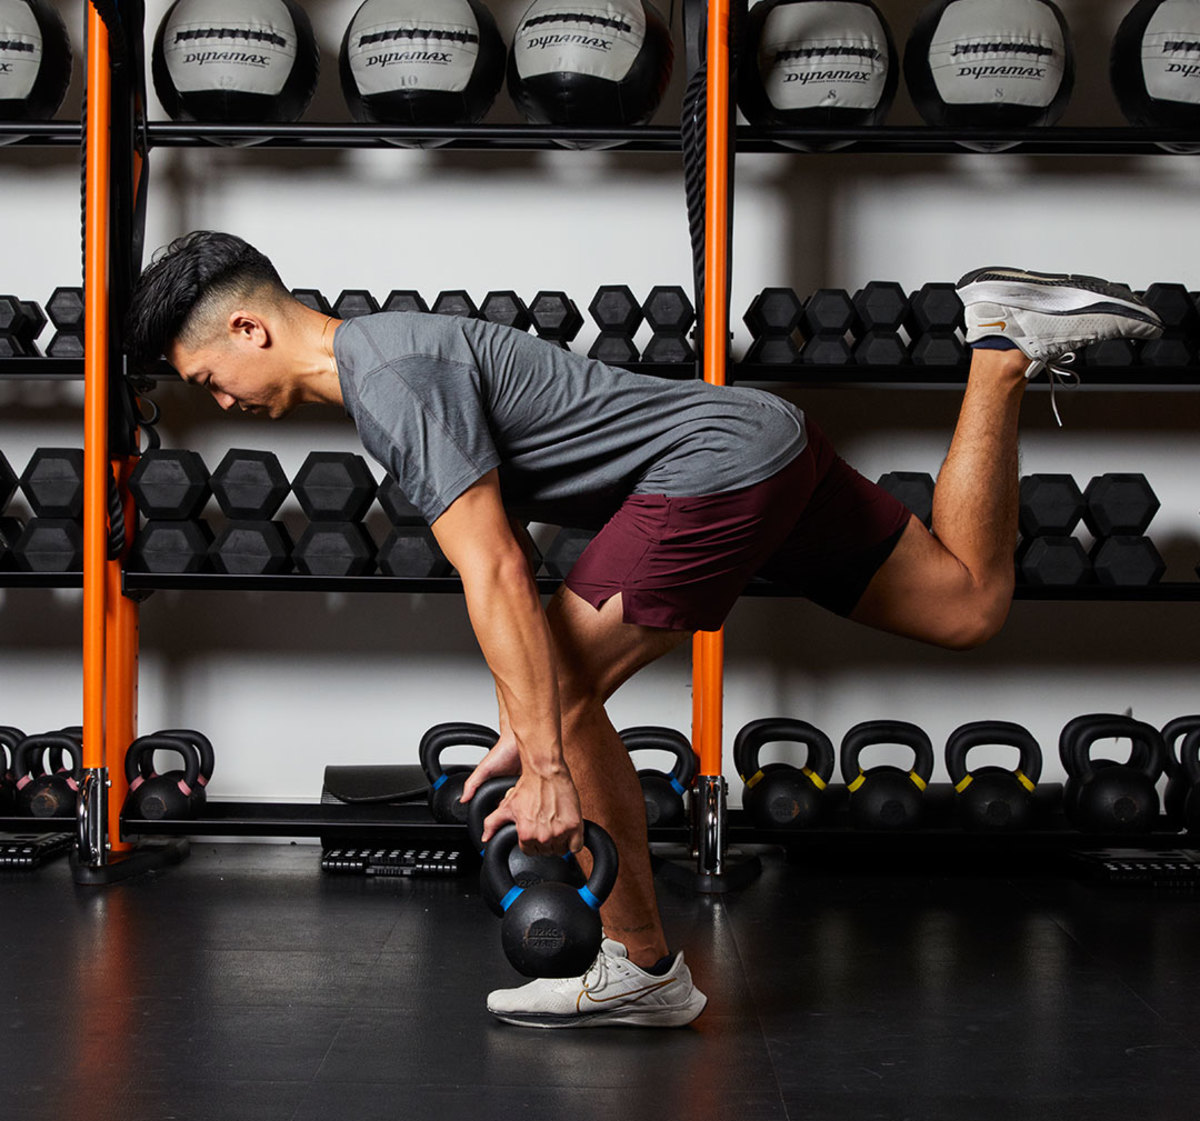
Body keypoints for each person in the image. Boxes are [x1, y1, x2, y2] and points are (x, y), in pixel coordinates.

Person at [125, 236, 1163, 1028]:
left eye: (208, 374)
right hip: (760, 442)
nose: (216, 397)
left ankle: (644, 973)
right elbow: (520, 589)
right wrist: (534, 725)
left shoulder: (387, 378)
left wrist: (549, 762)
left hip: (714, 467)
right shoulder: (401, 356)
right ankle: (1000, 350)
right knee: (968, 604)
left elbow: (495, 571)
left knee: (560, 698)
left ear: (250, 330)